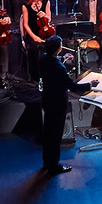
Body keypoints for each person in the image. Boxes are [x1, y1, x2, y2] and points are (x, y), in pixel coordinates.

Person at [35, 30, 80, 174]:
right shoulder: (59, 68)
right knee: (55, 136)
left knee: (48, 134)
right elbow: (71, 86)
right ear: (58, 48)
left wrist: (63, 58)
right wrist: (90, 85)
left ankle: (47, 162)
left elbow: (52, 60)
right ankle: (54, 166)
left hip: (48, 101)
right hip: (58, 104)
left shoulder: (43, 58)